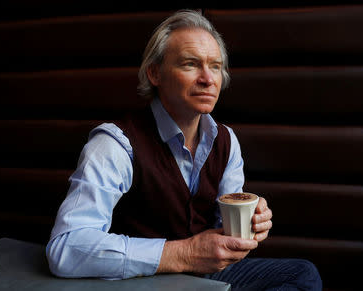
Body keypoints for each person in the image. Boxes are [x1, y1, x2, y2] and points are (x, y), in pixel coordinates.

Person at [46, 9, 322, 290]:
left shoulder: (226, 141)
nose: (208, 79)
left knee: (302, 275)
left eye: (215, 66)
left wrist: (249, 224)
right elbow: (66, 248)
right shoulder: (116, 143)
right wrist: (186, 253)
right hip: (137, 281)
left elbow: (222, 235)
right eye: (191, 64)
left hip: (202, 279)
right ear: (155, 73)